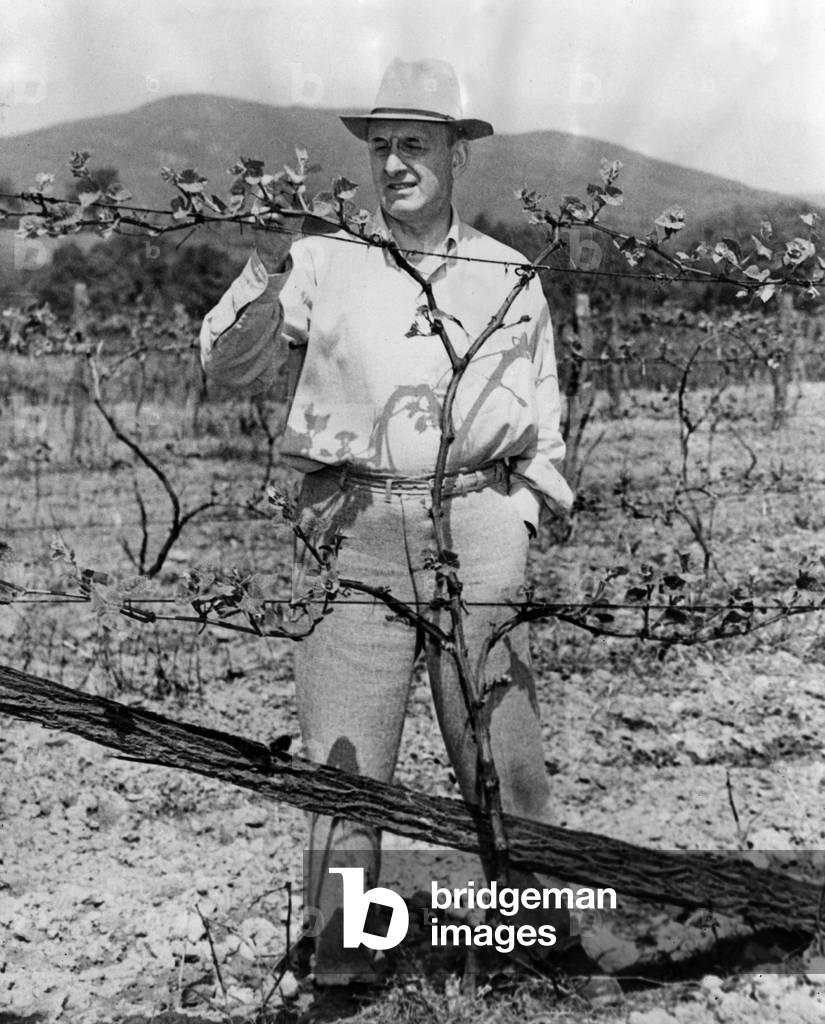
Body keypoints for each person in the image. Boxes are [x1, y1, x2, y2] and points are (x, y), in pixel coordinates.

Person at [200, 58, 576, 986]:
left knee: (501, 748)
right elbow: (229, 367)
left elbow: (543, 408)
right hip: (356, 522)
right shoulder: (321, 260)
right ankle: (345, 965)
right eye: (381, 148)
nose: (396, 163)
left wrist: (525, 509)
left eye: (415, 144)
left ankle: (532, 950)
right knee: (346, 759)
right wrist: (266, 261)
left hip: (479, 520)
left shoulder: (504, 272)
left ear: (455, 153)